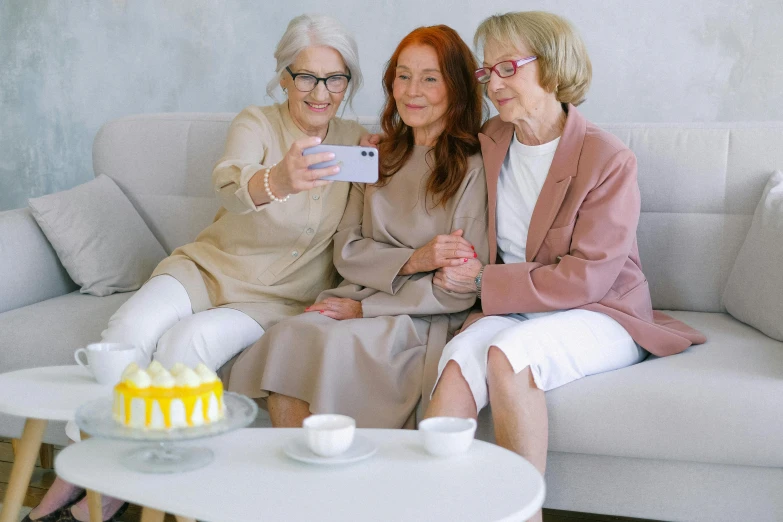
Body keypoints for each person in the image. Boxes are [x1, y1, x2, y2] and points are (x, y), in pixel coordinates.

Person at [24, 13, 367, 522]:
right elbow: (230, 184)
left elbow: (369, 228)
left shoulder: (358, 143)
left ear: (348, 83)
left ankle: (103, 497)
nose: (321, 91)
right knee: (127, 331)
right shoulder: (256, 121)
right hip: (204, 268)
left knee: (185, 349)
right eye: (306, 76)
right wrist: (280, 179)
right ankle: (82, 474)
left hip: (273, 298)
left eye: (335, 78)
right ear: (284, 77)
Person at [424, 12, 706, 522]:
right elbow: (426, 140)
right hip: (521, 308)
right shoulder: (492, 139)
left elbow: (588, 277)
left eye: (508, 67)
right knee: (458, 359)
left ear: (551, 67)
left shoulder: (607, 158)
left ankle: (524, 517)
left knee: (509, 357)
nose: (494, 84)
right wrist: (382, 147)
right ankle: (437, 510)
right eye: (489, 73)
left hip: (601, 310)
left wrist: (485, 281)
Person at [228, 24, 489, 429]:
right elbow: (347, 249)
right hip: (355, 296)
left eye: (430, 79)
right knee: (289, 336)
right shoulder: (375, 156)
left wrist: (366, 307)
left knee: (333, 343)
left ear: (455, 87)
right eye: (403, 76)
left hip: (418, 317)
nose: (412, 90)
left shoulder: (473, 168)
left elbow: (453, 284)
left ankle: (333, 483)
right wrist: (416, 259)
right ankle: (306, 481)